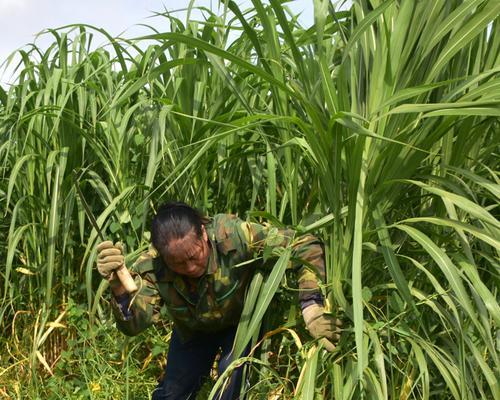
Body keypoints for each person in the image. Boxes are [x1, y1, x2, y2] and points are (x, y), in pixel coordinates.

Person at [96, 202, 342, 399]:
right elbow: (136, 325)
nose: (190, 267)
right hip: (192, 332)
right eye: (178, 263)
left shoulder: (235, 236)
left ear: (203, 233)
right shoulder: (153, 267)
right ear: (162, 255)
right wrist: (117, 286)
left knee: (229, 387)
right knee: (172, 394)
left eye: (195, 256)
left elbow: (304, 245)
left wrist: (311, 306)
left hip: (240, 326)